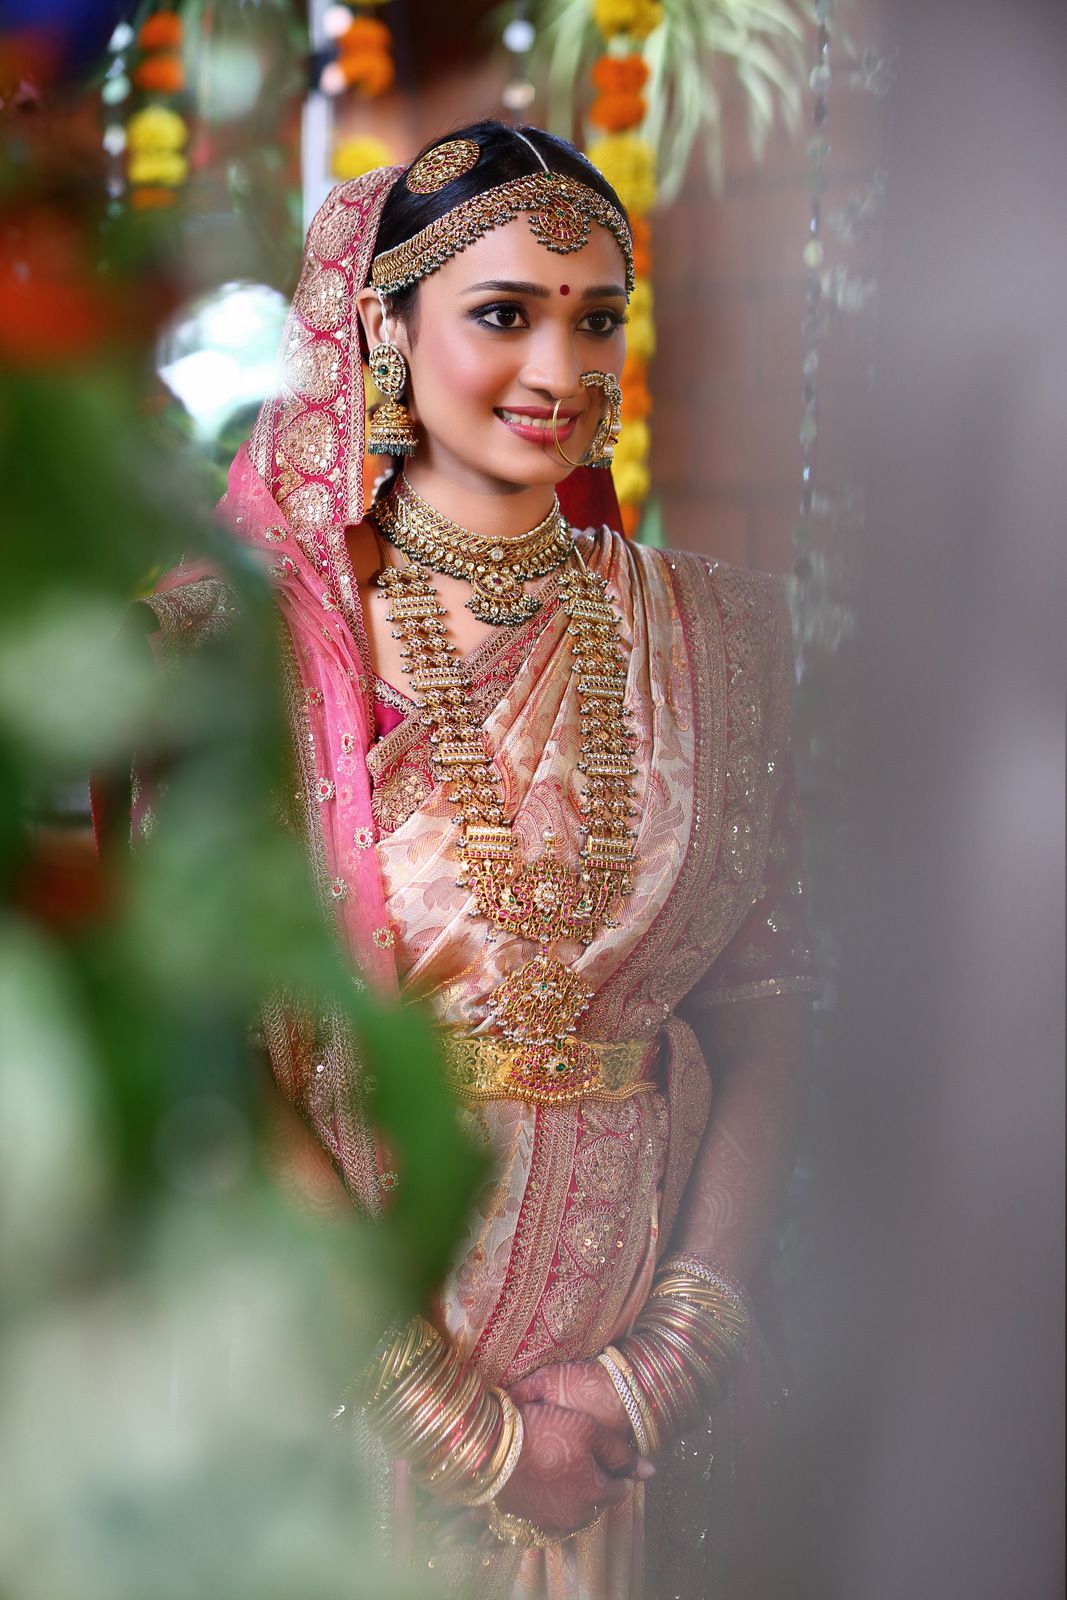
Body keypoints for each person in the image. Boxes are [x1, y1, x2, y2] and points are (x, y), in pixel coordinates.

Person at [146, 119, 816, 1599]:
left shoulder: (720, 642)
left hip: (637, 1418)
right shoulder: (246, 652)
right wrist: (444, 1418)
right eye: (503, 314)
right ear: (380, 328)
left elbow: (771, 1012)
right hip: (334, 1393)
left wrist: (673, 1360)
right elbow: (212, 1058)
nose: (561, 370)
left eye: (596, 319)